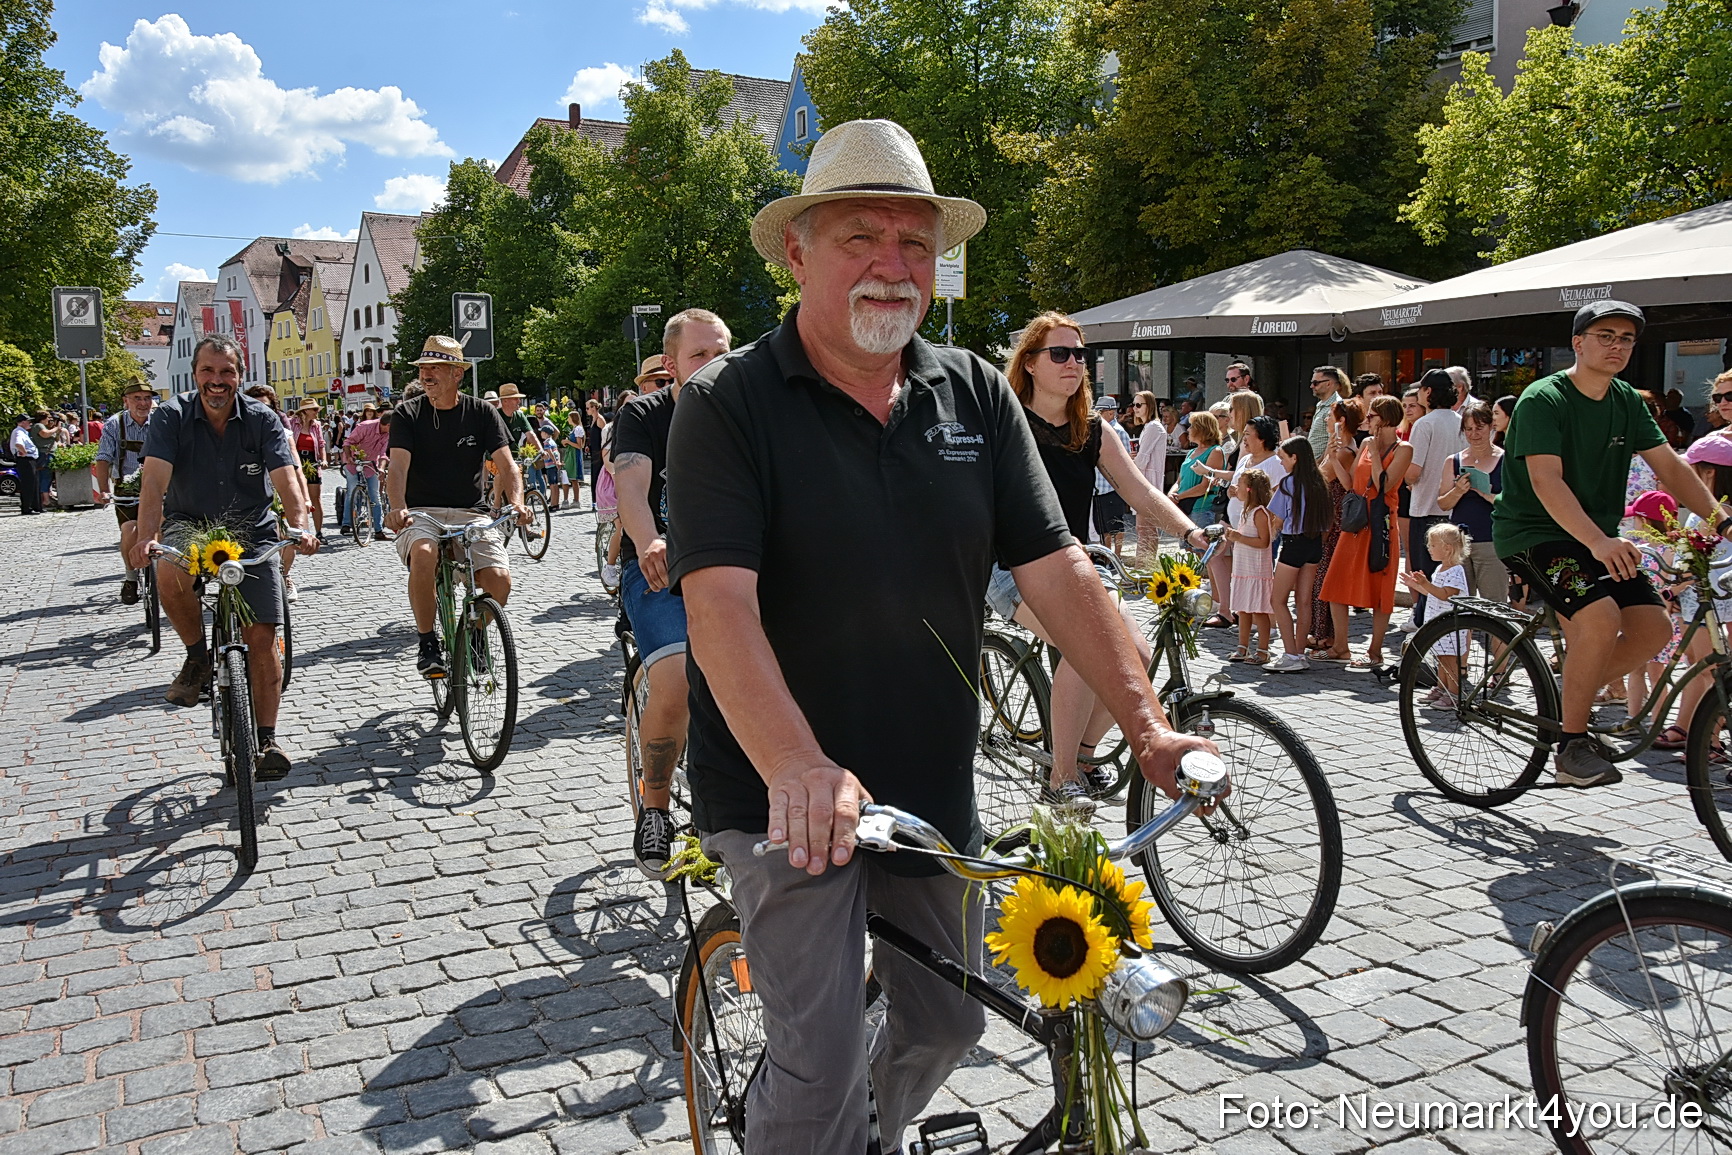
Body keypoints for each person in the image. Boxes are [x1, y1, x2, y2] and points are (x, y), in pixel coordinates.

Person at [664, 119, 1219, 1155]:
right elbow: (718, 607)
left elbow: (1057, 568)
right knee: (819, 1061)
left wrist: (1147, 728)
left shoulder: (971, 390)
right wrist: (798, 766)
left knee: (950, 1017)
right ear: (797, 253)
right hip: (782, 791)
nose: (893, 264)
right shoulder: (726, 402)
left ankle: (861, 1137)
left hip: (927, 783)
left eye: (914, 242)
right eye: (860, 238)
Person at [1496, 300, 1732, 789]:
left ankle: (1571, 695)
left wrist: (1723, 521)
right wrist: (1600, 541)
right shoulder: (1544, 398)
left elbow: (1671, 468)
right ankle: (1571, 746)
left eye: (1626, 339)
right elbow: (1545, 481)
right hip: (1534, 534)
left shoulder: (1625, 399)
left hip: (1594, 536)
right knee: (1600, 617)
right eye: (1605, 336)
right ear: (1578, 344)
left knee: (1652, 629)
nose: (1617, 346)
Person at [989, 313, 1213, 809]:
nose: (1073, 363)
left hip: (1077, 562)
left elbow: (1141, 492)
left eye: (1079, 354)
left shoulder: (1092, 430)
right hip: (1012, 564)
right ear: (1030, 364)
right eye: (1059, 354)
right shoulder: (1005, 421)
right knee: (1086, 646)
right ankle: (1061, 777)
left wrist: (1190, 532)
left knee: (1138, 655)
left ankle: (1084, 755)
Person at [131, 335, 317, 776]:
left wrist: (299, 525)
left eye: (226, 372)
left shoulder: (261, 418)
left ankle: (266, 740)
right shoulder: (171, 416)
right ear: (195, 374)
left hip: (251, 528)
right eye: (208, 371)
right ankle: (197, 655)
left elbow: (286, 476)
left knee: (262, 638)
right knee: (169, 570)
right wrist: (146, 537)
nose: (217, 380)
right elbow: (154, 482)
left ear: (239, 376)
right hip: (189, 522)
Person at [613, 307, 733, 877]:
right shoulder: (643, 414)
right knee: (678, 675)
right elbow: (631, 487)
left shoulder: (746, 410)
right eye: (699, 354)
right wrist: (649, 541)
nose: (712, 364)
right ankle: (655, 807)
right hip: (660, 567)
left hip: (734, 565)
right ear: (671, 363)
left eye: (721, 353)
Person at [386, 336, 526, 678]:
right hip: (422, 512)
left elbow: (507, 466)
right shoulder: (408, 413)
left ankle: (473, 634)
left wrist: (518, 503)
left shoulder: (481, 412)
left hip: (470, 513)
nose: (427, 374)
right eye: (424, 368)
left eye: (436, 367)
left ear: (457, 373)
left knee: (499, 581)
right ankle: (427, 642)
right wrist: (397, 506)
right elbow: (398, 467)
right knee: (423, 553)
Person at [1319, 395, 1410, 669]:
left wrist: (1374, 451)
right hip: (1356, 523)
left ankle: (1375, 651)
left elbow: (1384, 485)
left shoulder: (1403, 449)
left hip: (1381, 524)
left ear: (1385, 418)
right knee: (1335, 583)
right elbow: (1350, 484)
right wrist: (1334, 458)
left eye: (1372, 416)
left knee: (1380, 587)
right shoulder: (1365, 444)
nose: (1367, 421)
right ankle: (1340, 647)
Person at [1404, 368, 1465, 628]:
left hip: (1426, 506)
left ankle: (1423, 620)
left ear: (1428, 391)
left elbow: (1413, 471)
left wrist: (1401, 476)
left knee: (1425, 572)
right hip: (1455, 506)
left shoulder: (1425, 424)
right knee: (1450, 570)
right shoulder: (1461, 420)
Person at [1307, 398, 1365, 662]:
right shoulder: (1339, 446)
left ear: (1341, 421)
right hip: (1331, 520)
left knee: (1325, 581)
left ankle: (1329, 638)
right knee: (1323, 580)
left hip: (1336, 523)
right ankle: (1325, 635)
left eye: (1330, 417)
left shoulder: (1344, 450)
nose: (1325, 420)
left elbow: (1319, 478)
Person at [1267, 436, 1329, 672]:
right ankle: (1299, 653)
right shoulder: (1319, 482)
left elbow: (1278, 519)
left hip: (1294, 543)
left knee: (1278, 600)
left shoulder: (1288, 483)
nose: (1281, 463)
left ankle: (1290, 653)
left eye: (1283, 458)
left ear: (1295, 458)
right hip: (1314, 544)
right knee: (1304, 601)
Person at [93, 380, 157, 601]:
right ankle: (131, 578)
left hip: (159, 486)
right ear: (126, 401)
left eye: (147, 398)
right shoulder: (114, 424)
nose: (143, 403)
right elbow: (103, 458)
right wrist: (103, 490)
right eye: (137, 398)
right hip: (127, 489)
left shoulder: (160, 422)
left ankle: (169, 574)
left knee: (165, 529)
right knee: (130, 530)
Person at [1437, 400, 1506, 604]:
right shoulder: (1453, 461)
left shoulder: (1506, 459)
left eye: (1479, 428)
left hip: (1492, 540)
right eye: (1468, 429)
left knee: (1495, 603)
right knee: (1459, 604)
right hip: (1459, 542)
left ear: (1491, 426)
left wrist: (1488, 495)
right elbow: (1443, 503)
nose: (1474, 434)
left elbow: (1516, 503)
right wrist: (1458, 491)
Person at [1401, 523, 1470, 708]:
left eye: (1432, 545)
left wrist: (1425, 584)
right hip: (1439, 623)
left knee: (1449, 660)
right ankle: (1441, 687)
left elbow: (1445, 594)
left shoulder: (1455, 571)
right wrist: (1416, 585)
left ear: (1447, 548)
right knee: (1441, 658)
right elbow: (1432, 593)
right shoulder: (1440, 569)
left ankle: (1454, 693)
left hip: (1451, 625)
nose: (1429, 548)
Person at [1224, 468, 1276, 664]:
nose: (1236, 487)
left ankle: (1263, 650)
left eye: (1240, 484)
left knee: (1259, 611)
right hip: (1243, 570)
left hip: (1256, 570)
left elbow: (1264, 541)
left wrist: (1239, 537)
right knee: (1243, 610)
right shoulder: (1246, 511)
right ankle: (1242, 647)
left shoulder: (1259, 513)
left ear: (1250, 489)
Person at [341, 403, 392, 540]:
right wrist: (350, 457)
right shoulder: (365, 427)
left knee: (375, 496)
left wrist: (381, 468)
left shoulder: (387, 434)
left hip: (371, 464)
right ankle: (347, 524)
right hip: (353, 462)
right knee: (352, 491)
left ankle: (378, 530)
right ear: (387, 425)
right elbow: (348, 443)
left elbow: (383, 454)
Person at [1091, 397, 1133, 556]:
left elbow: (1125, 460)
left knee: (1116, 526)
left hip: (1112, 487)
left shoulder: (1119, 431)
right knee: (1102, 528)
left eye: (1100, 412)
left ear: (1110, 412)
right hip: (1098, 486)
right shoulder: (1097, 429)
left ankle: (1117, 557)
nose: (1097, 414)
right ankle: (1106, 557)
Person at [1130, 389, 1167, 561]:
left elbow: (1142, 460)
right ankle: (1145, 564)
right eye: (1134, 405)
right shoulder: (1149, 427)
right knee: (1145, 528)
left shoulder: (1153, 427)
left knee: (1145, 529)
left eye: (1139, 405)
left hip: (1148, 481)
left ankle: (1144, 565)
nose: (1135, 408)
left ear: (1149, 406)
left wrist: (1131, 462)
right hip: (1147, 480)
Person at [288, 398, 328, 548]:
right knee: (298, 499)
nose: (317, 412)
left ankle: (319, 532)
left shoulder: (316, 425)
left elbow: (321, 444)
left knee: (315, 498)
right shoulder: (292, 423)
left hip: (312, 461)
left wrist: (324, 459)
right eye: (315, 410)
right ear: (305, 411)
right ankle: (301, 533)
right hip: (296, 460)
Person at [1169, 410, 1222, 518]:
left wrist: (1179, 497)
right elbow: (1179, 481)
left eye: (1192, 426)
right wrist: (1171, 494)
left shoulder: (1215, 451)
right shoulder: (1191, 452)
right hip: (1182, 506)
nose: (1188, 429)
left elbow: (1205, 486)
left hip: (1200, 509)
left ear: (1202, 429)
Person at [1309, 366, 1347, 459]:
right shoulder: (1321, 404)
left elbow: (1333, 443)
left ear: (1328, 384)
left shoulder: (1336, 406)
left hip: (1323, 464)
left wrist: (1319, 464)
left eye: (1315, 383)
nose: (1312, 386)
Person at [9, 414, 42, 515]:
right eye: (28, 421)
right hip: (25, 460)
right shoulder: (18, 432)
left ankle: (36, 506)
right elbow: (18, 444)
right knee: (28, 484)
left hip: (30, 460)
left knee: (34, 483)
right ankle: (27, 507)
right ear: (22, 422)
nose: (30, 423)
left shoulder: (23, 432)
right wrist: (24, 452)